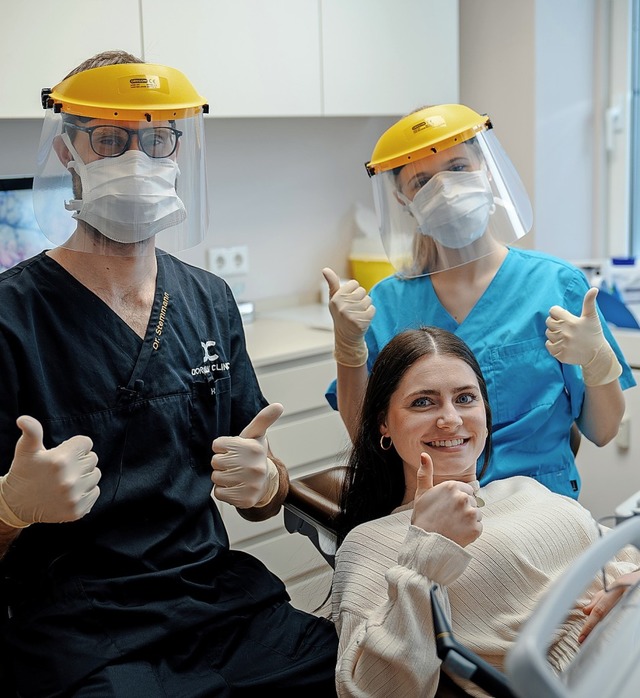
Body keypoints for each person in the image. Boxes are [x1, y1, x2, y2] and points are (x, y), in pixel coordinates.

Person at [0, 50, 337, 697]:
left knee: (349, 670)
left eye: (158, 140)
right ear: (68, 150)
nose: (139, 160)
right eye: (112, 138)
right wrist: (12, 509)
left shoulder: (208, 301)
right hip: (81, 627)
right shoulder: (14, 318)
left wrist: (270, 481)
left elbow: (263, 498)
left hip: (212, 600)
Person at [323, 103, 635, 500]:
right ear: (404, 201)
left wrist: (596, 362)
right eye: (421, 181)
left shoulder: (556, 285)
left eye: (457, 168)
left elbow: (603, 432)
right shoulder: (386, 303)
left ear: (486, 170)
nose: (444, 189)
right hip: (429, 507)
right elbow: (367, 436)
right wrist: (348, 351)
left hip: (539, 506)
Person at [331, 325, 640, 698]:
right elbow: (370, 690)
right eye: (423, 402)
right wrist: (428, 548)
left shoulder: (524, 488)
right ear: (383, 422)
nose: (450, 419)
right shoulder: (374, 541)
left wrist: (633, 578)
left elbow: (622, 556)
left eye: (465, 398)